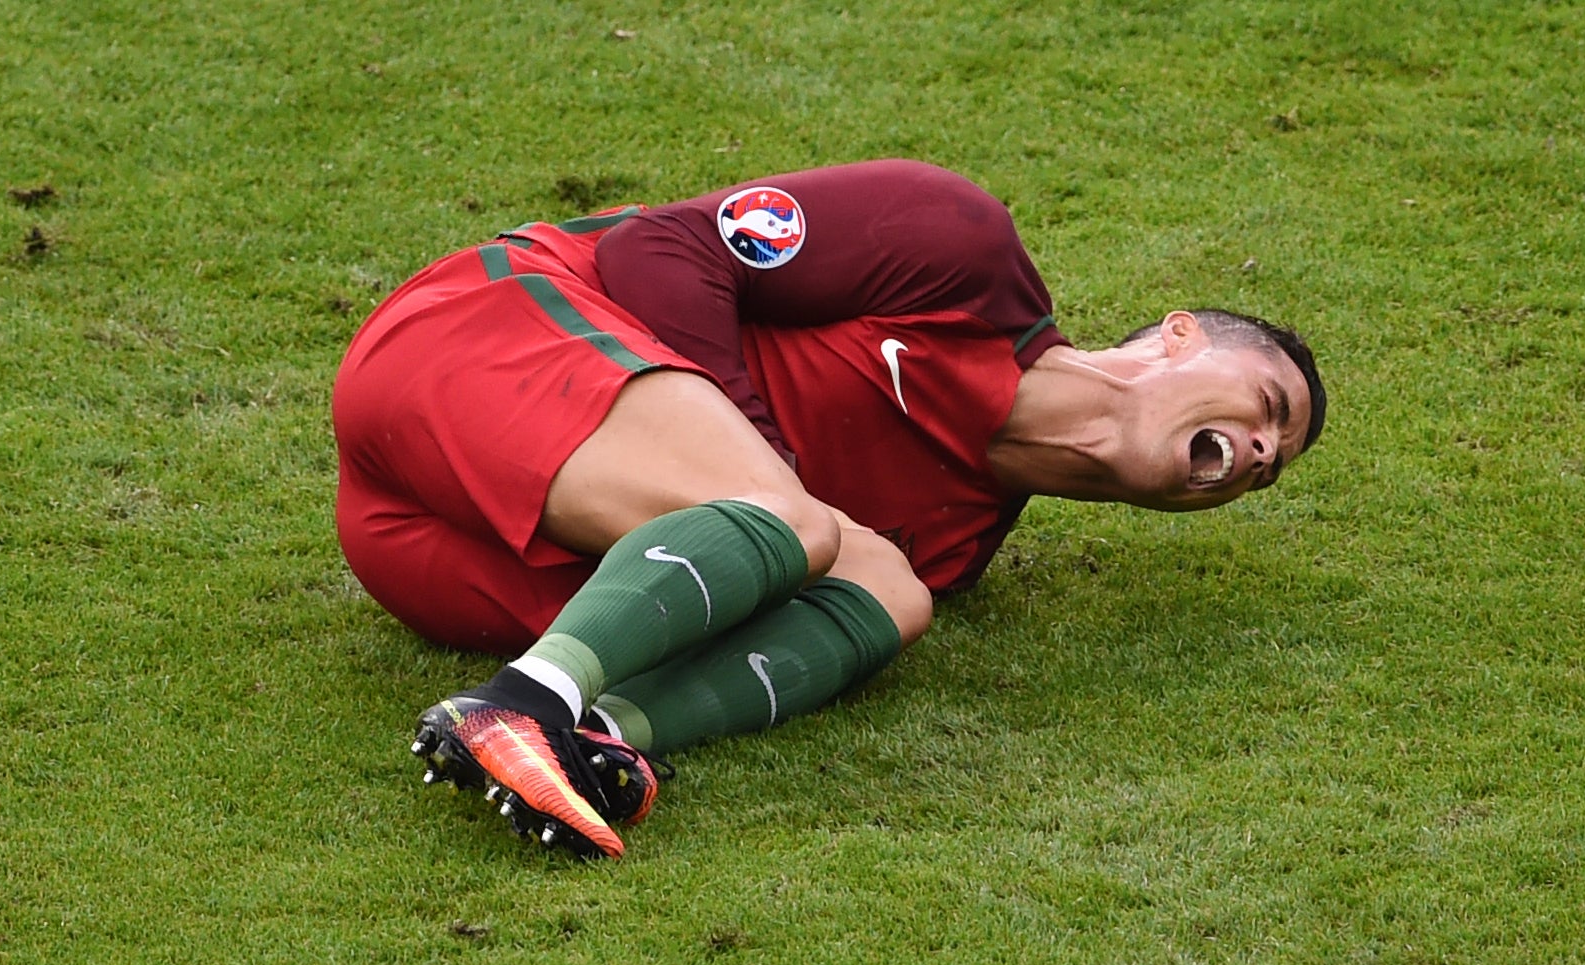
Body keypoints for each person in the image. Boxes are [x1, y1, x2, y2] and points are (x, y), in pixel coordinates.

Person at [331, 159, 1326, 860]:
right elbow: (661, 247)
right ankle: (525, 701)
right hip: (468, 348)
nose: (1260, 450)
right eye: (1267, 406)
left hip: (435, 547)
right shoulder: (959, 247)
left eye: (1270, 466)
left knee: (890, 588)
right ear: (1179, 337)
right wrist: (773, 476)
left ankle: (603, 740)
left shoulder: (953, 545)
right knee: (802, 525)